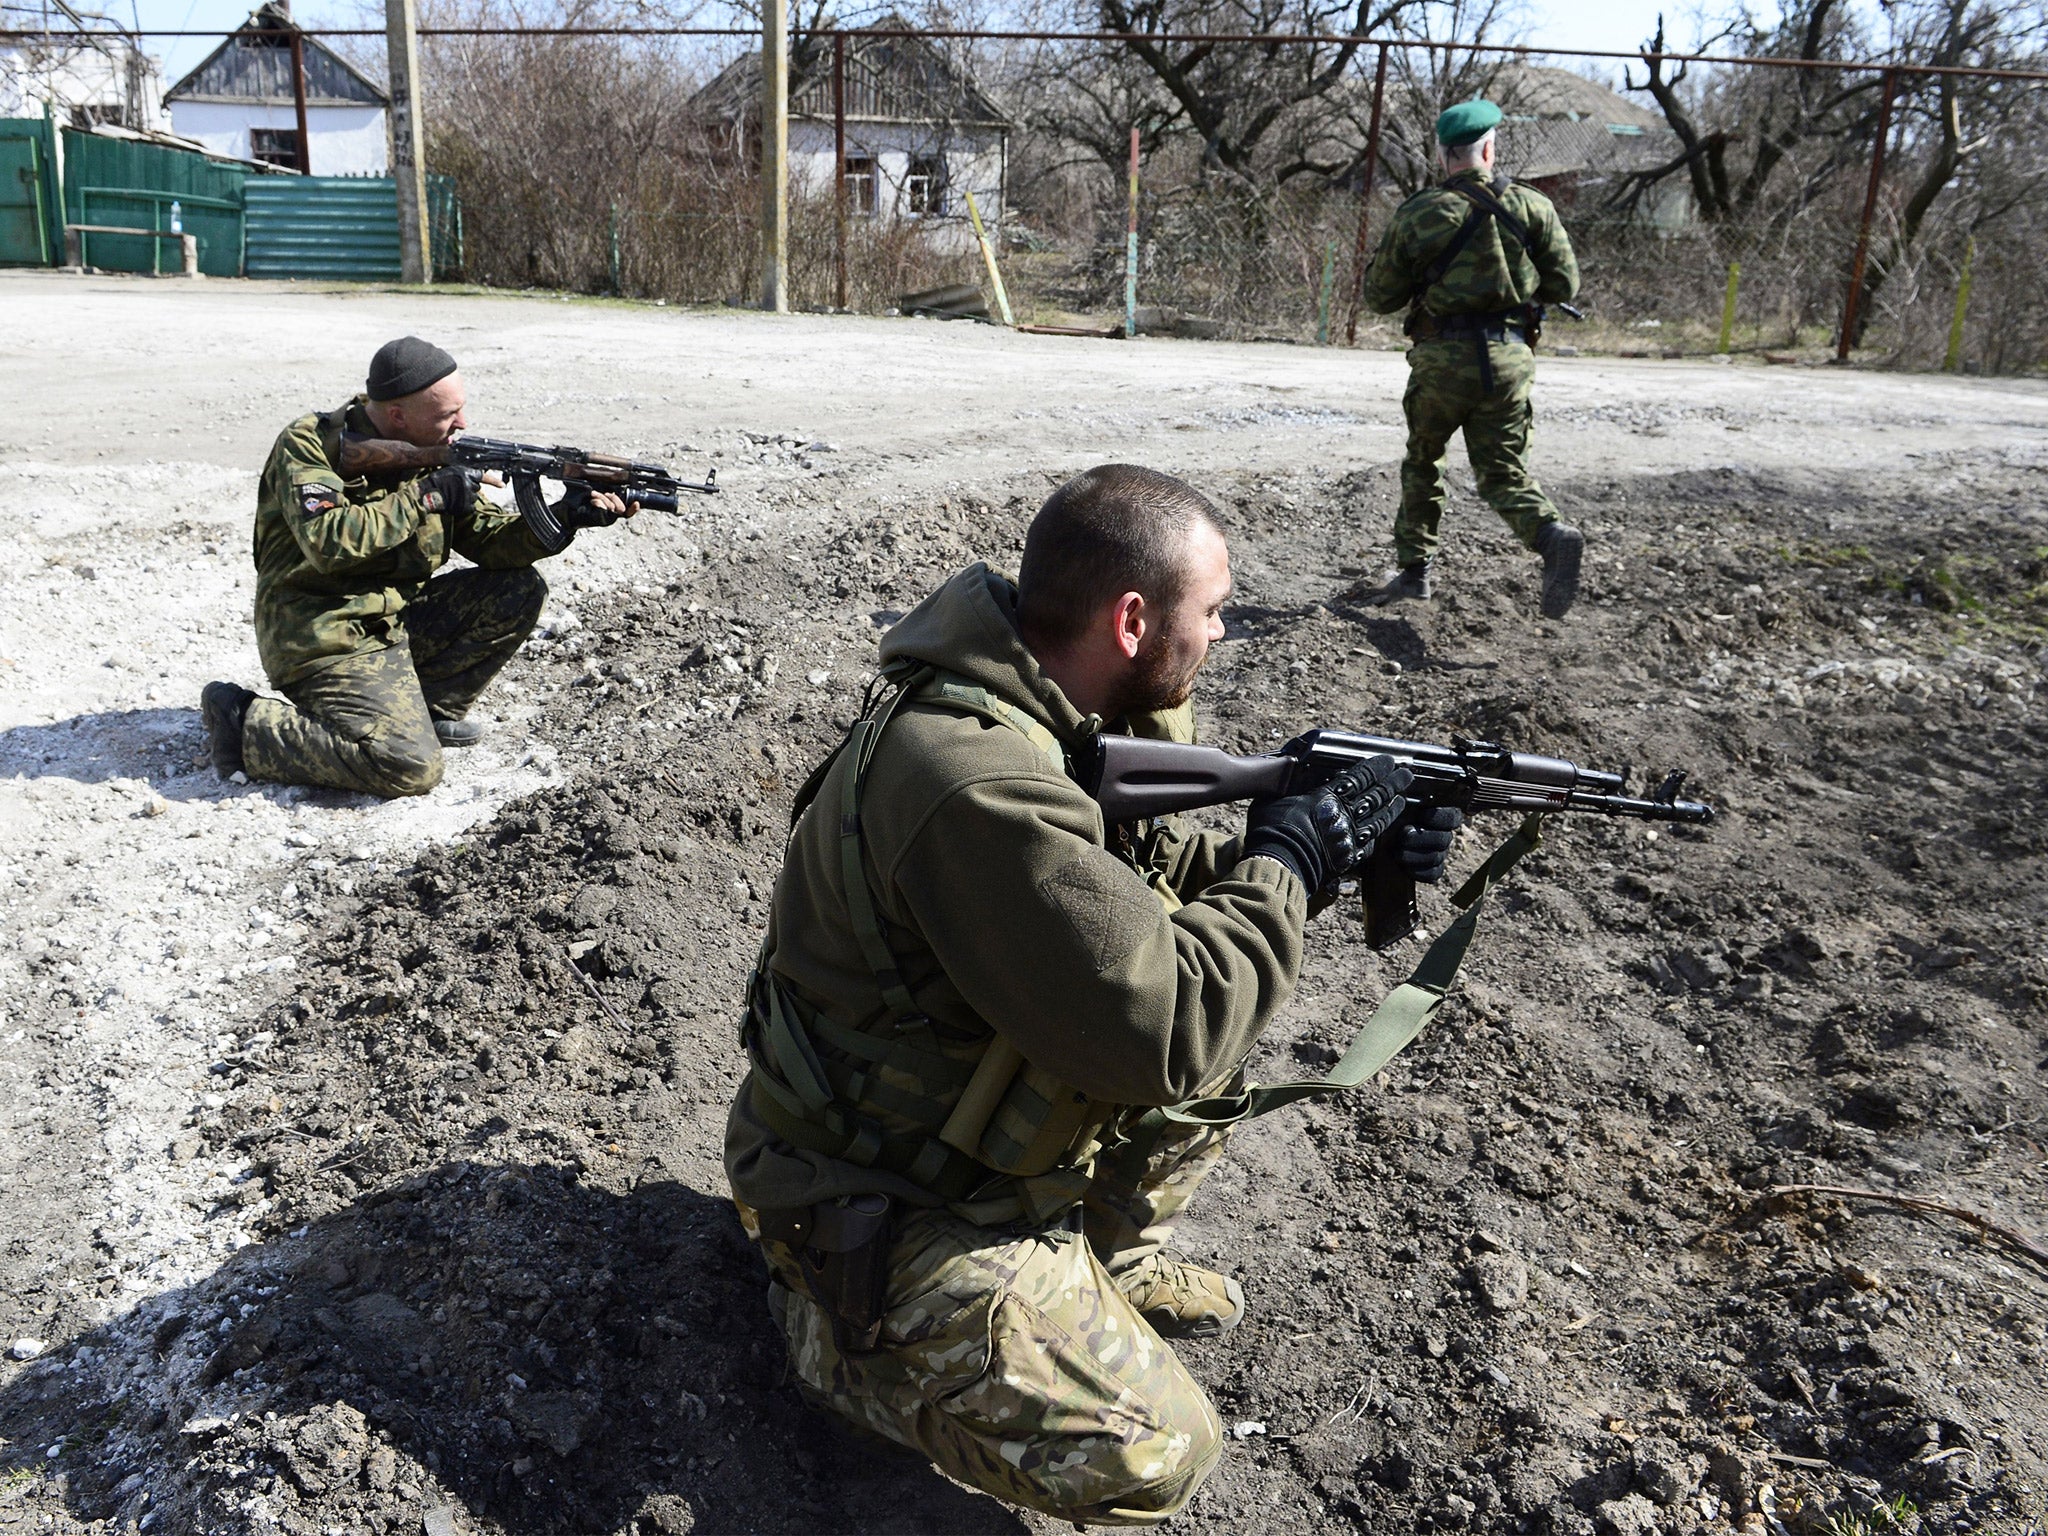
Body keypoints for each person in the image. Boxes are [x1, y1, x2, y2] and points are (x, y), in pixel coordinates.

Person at [725, 464, 1463, 1525]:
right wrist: (1284, 865)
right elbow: (1162, 1031)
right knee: (1157, 1455)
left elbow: (1139, 912)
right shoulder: (977, 778)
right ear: (1130, 618)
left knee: (1224, 986)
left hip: (943, 1141)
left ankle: (1099, 1260)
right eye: (1209, 613)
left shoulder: (1053, 712)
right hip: (871, 1200)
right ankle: (840, 1347)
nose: (1216, 636)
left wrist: (1327, 856)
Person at [199, 336, 633, 798]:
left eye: (461, 410)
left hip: (392, 623)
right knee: (408, 767)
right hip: (321, 635)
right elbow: (329, 541)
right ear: (398, 416)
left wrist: (567, 516)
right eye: (448, 415)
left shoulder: (437, 452)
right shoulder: (311, 444)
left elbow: (489, 541)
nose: (463, 423)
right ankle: (245, 723)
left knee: (517, 589)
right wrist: (426, 495)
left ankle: (426, 709)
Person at [1360, 97, 1586, 619]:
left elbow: (1381, 296)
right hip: (1508, 360)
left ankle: (1415, 572)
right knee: (1503, 471)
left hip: (1442, 361)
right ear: (1489, 148)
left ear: (1444, 156)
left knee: (1424, 458)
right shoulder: (1533, 207)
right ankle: (1550, 534)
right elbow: (1564, 284)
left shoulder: (1421, 212)